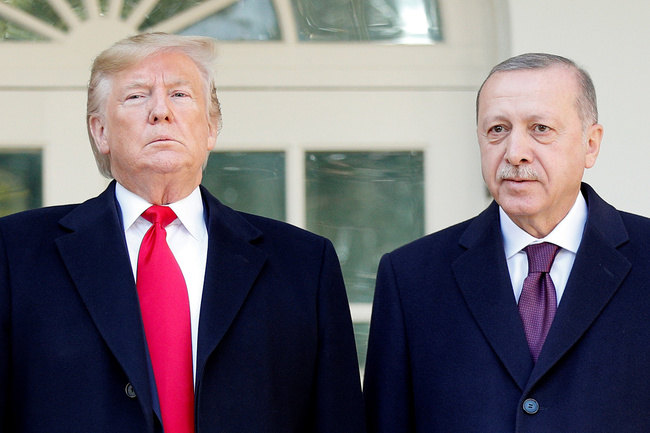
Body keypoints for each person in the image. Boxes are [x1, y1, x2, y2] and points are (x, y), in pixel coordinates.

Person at [0, 32, 365, 433]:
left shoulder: (305, 264)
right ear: (100, 131)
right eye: (137, 96)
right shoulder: (14, 252)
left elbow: (338, 419)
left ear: (211, 128)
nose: (160, 111)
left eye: (180, 94)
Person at [364, 52, 650, 432]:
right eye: (497, 129)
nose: (515, 153)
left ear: (591, 144)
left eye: (540, 128)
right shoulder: (410, 278)